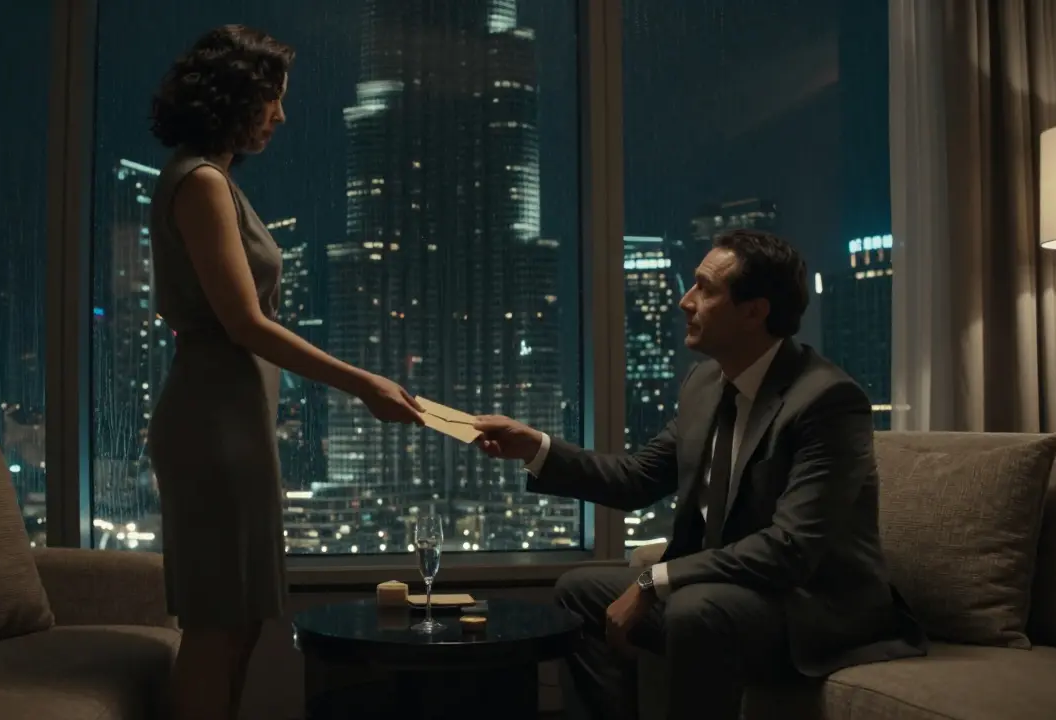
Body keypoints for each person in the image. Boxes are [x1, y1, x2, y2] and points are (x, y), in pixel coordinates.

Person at [473, 229, 927, 720]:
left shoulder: (827, 402)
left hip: (813, 606)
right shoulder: (706, 384)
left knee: (695, 610)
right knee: (577, 591)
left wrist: (654, 580)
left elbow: (790, 547)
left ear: (755, 311)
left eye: (705, 289)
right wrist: (535, 447)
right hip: (728, 590)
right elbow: (636, 479)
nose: (685, 301)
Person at [145, 25, 425, 720]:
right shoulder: (202, 182)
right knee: (218, 626)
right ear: (236, 97)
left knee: (240, 623)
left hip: (233, 418)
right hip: (214, 424)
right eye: (273, 98)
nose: (281, 115)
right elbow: (245, 324)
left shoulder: (212, 179)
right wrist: (364, 385)